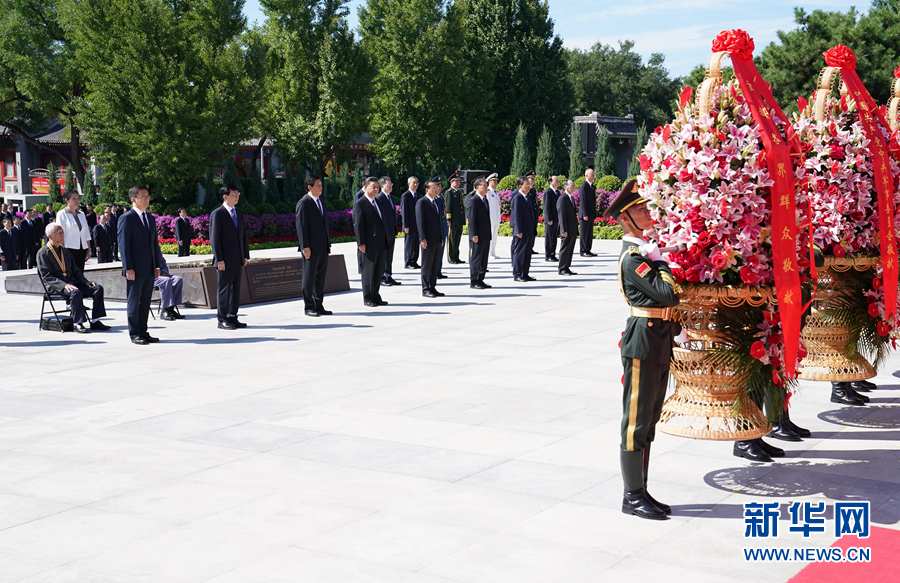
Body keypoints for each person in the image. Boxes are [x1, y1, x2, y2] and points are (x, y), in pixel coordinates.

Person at [604, 179, 680, 520]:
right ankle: (631, 495)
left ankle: (642, 490)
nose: (647, 213)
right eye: (639, 210)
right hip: (642, 340)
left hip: (659, 338)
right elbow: (669, 294)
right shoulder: (634, 259)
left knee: (649, 418)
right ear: (624, 219)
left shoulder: (644, 254)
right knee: (635, 420)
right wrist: (661, 261)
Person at [37, 223, 110, 333]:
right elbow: (46, 276)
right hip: (57, 286)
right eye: (59, 232)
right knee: (76, 292)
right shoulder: (43, 253)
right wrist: (64, 285)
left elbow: (76, 271)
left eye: (63, 232)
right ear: (50, 236)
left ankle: (95, 321)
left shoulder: (64, 251)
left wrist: (85, 282)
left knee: (97, 288)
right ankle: (78, 323)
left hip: (72, 282)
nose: (63, 235)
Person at [119, 185, 163, 345]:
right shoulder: (127, 218)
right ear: (133, 199)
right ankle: (135, 332)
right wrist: (128, 267)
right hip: (135, 269)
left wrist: (157, 265)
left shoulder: (150, 218)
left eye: (147, 196)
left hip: (149, 267)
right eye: (143, 196)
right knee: (134, 301)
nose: (147, 199)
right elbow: (123, 245)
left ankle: (143, 330)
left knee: (145, 301)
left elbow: (154, 244)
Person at [210, 185, 250, 329]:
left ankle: (233, 316)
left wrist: (245, 255)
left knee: (235, 289)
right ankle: (222, 318)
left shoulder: (239, 212)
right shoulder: (217, 214)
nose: (237, 196)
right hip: (224, 260)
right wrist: (219, 259)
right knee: (224, 289)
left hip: (238, 258)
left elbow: (243, 235)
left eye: (238, 193)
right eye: (234, 194)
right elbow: (215, 239)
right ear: (225, 196)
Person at [296, 173, 332, 317]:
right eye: (317, 185)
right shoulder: (304, 203)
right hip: (310, 247)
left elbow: (325, 225)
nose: (320, 187)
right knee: (309, 277)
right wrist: (305, 246)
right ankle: (309, 306)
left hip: (322, 246)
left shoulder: (320, 201)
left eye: (321, 185)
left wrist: (328, 243)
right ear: (309, 187)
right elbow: (301, 226)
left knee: (320, 277)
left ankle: (319, 304)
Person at [353, 177, 390, 306]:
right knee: (368, 272)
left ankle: (376, 295)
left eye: (377, 187)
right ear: (366, 187)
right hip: (368, 244)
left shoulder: (378, 202)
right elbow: (358, 225)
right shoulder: (360, 203)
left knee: (378, 271)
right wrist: (361, 243)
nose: (375, 189)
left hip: (380, 242)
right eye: (372, 186)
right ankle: (368, 298)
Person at [416, 178, 444, 298]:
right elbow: (420, 221)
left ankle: (432, 286)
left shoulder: (436, 201)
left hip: (437, 238)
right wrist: (422, 238)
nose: (436, 189)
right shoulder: (422, 202)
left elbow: (439, 221)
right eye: (434, 187)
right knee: (427, 264)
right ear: (427, 189)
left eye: (437, 187)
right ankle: (426, 288)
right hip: (427, 238)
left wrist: (441, 237)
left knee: (434, 263)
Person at [466, 177, 492, 289]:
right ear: (477, 187)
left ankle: (481, 279)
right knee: (476, 258)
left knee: (484, 258)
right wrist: (474, 234)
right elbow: (471, 220)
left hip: (485, 234)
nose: (486, 188)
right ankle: (474, 280)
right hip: (478, 235)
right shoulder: (473, 200)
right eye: (484, 185)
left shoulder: (484, 199)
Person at [57, 190, 92, 272]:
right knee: (70, 273)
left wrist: (88, 248)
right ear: (67, 200)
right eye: (74, 199)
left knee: (80, 273)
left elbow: (86, 232)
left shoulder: (81, 214)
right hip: (69, 249)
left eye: (78, 198)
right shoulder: (62, 214)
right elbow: (60, 234)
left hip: (82, 248)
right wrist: (62, 251)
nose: (77, 201)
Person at [376, 176, 401, 286]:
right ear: (382, 186)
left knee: (389, 255)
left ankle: (388, 275)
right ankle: (381, 277)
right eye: (388, 184)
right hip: (384, 233)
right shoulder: (379, 198)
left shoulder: (391, 198)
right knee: (383, 256)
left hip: (391, 231)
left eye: (391, 184)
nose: (390, 186)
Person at [510, 177, 536, 282]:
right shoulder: (517, 198)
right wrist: (518, 230)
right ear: (520, 186)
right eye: (527, 185)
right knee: (519, 253)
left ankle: (525, 273)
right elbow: (516, 216)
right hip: (521, 231)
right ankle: (517, 274)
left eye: (529, 185)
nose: (529, 187)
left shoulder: (528, 197)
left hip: (529, 229)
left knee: (527, 253)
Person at [557, 179, 579, 276]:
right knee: (565, 248)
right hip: (567, 229)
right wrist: (563, 230)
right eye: (571, 185)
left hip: (572, 228)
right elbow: (561, 215)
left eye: (573, 185)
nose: (573, 187)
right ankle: (562, 268)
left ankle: (567, 266)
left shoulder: (571, 198)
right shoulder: (563, 198)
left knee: (570, 249)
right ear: (566, 187)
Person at [155, 255, 186, 321]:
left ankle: (171, 309)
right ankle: (164, 310)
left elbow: (162, 261)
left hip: (162, 275)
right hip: (152, 277)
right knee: (166, 281)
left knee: (178, 279)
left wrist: (164, 271)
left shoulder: (156, 247)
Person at [400, 176, 421, 269]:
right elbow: (404, 212)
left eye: (417, 183)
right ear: (409, 184)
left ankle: (414, 261)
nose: (416, 184)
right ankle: (408, 262)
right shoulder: (406, 195)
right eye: (414, 183)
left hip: (417, 224)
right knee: (409, 244)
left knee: (416, 243)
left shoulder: (417, 194)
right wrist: (406, 225)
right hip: (410, 224)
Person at [445, 173, 465, 264]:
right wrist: (448, 219)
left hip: (459, 220)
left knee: (457, 239)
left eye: (459, 181)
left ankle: (456, 257)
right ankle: (451, 257)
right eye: (456, 181)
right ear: (451, 182)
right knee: (452, 239)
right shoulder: (449, 192)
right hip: (452, 220)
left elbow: (462, 207)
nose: (458, 183)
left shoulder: (459, 192)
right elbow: (448, 207)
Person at [579, 168, 597, 257]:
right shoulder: (584, 186)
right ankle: (583, 250)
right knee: (584, 233)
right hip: (585, 214)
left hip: (591, 213)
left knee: (589, 233)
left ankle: (588, 249)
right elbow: (583, 201)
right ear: (586, 175)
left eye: (593, 175)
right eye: (591, 175)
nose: (593, 176)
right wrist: (584, 214)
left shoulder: (592, 186)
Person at [543, 176, 560, 262]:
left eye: (558, 181)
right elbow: (546, 206)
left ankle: (553, 254)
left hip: (556, 218)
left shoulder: (557, 192)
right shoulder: (548, 192)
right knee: (549, 238)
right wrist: (549, 218)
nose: (557, 182)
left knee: (554, 238)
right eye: (555, 181)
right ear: (550, 182)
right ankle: (548, 255)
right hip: (550, 219)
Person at [434, 177, 448, 279]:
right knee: (436, 253)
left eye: (440, 186)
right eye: (437, 186)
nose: (439, 188)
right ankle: (435, 271)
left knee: (441, 251)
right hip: (436, 229)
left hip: (443, 228)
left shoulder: (441, 198)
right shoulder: (434, 199)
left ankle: (438, 271)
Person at [486, 173, 501, 259]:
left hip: (496, 217)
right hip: (490, 217)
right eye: (494, 181)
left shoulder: (495, 192)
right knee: (490, 236)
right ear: (489, 182)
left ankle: (493, 252)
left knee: (494, 236)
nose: (496, 183)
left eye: (496, 181)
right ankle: (489, 253)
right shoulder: (487, 192)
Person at [524, 171, 539, 254]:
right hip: (529, 214)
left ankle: (531, 247)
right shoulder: (526, 190)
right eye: (531, 179)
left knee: (533, 231)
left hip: (534, 213)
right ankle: (528, 247)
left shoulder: (533, 189)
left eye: (533, 179)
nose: (533, 180)